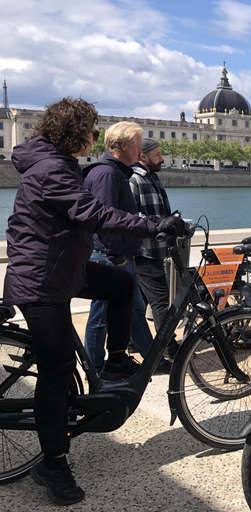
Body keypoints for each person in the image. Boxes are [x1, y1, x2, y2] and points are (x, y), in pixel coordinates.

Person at [3, 97, 184, 505]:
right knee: (56, 371)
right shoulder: (52, 169)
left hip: (63, 270)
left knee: (120, 286)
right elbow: (96, 214)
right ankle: (52, 465)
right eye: (89, 129)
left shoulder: (55, 163)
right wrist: (154, 226)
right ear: (75, 133)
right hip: (42, 281)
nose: (92, 136)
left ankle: (116, 357)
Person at [83, 123, 172, 376]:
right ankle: (95, 367)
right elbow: (104, 221)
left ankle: (152, 360)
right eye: (137, 144)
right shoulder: (107, 175)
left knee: (133, 312)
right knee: (100, 316)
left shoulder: (114, 173)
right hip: (109, 257)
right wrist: (118, 258)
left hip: (120, 256)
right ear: (124, 146)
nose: (140, 150)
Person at [130, 138, 180, 358]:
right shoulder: (134, 180)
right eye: (158, 154)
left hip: (154, 248)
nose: (162, 158)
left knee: (137, 301)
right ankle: (168, 348)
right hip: (144, 251)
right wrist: (159, 223)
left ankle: (134, 343)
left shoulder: (152, 177)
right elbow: (129, 216)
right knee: (160, 301)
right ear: (143, 156)